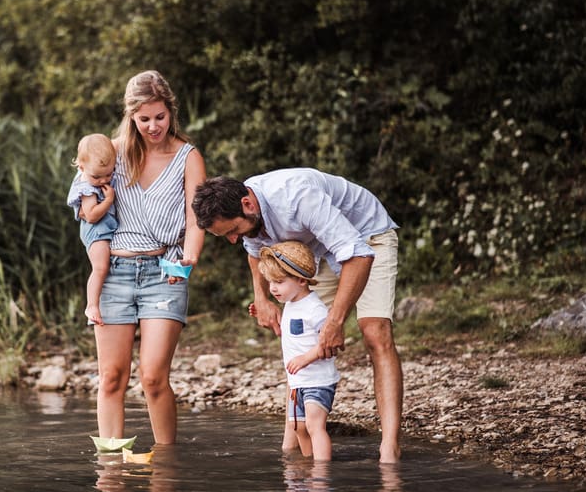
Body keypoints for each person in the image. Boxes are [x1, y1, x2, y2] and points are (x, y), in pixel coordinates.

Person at [191, 168, 403, 463]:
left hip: (366, 238)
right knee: (300, 334)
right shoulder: (243, 208)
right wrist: (261, 297)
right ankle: (291, 446)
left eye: (232, 231)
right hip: (315, 253)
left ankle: (389, 447)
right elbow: (255, 251)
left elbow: (357, 254)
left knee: (374, 332)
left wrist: (335, 321)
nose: (231, 240)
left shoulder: (297, 196)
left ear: (247, 205)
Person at [94, 70, 206, 445]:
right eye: (144, 119)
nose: (153, 126)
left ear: (171, 112)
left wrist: (189, 258)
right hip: (114, 273)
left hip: (165, 273)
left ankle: (166, 469)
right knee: (111, 377)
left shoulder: (188, 157)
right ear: (131, 116)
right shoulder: (110, 153)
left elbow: (196, 219)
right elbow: (84, 204)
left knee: (154, 378)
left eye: (160, 117)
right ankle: (109, 471)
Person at [254, 240, 340, 461]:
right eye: (270, 282)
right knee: (297, 427)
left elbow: (332, 344)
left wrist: (305, 358)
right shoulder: (291, 304)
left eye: (279, 282)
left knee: (314, 425)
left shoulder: (316, 309)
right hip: (298, 381)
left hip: (317, 380)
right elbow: (293, 334)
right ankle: (308, 462)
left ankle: (321, 472)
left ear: (301, 280)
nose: (272, 288)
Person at [66, 133, 118, 324]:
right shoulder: (86, 186)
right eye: (98, 176)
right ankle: (92, 305)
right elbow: (92, 215)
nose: (104, 180)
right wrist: (110, 200)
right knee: (100, 267)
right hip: (96, 231)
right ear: (81, 167)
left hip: (104, 231)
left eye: (109, 174)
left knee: (105, 267)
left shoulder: (96, 176)